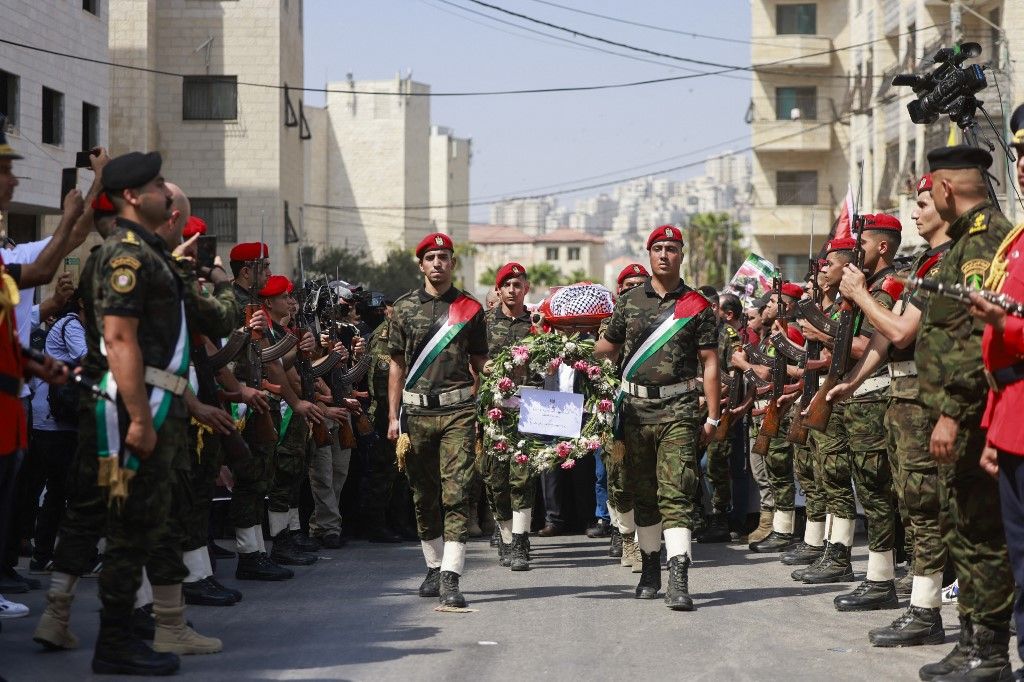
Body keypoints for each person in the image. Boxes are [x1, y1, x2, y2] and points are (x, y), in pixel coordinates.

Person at [827, 174, 951, 646]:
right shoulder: (925, 263)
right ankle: (917, 603)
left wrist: (859, 296)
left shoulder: (943, 263)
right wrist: (852, 382)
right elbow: (885, 338)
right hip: (900, 399)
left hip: (926, 398)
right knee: (910, 502)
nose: (915, 212)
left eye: (922, 204)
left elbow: (900, 333)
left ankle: (929, 609)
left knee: (925, 507)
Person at [914, 145, 1015, 682]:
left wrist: (951, 412)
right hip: (964, 415)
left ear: (946, 190)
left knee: (982, 533)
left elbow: (976, 338)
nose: (929, 199)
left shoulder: (982, 247)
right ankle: (971, 640)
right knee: (963, 530)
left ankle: (992, 652)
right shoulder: (963, 244)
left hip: (975, 416)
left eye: (930, 191)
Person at [596, 225, 721, 611]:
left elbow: (711, 363)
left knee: (677, 491)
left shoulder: (698, 306)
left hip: (679, 410)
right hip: (633, 412)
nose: (664, 254)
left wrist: (713, 418)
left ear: (681, 254)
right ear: (649, 254)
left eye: (671, 248)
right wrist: (566, 344)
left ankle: (679, 575)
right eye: (658, 248)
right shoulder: (630, 301)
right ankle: (651, 568)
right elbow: (607, 348)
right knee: (644, 494)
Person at [387, 232, 487, 608]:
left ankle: (451, 575)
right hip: (415, 413)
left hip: (458, 411)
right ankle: (433, 564)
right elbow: (396, 364)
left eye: (444, 257)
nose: (437, 264)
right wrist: (392, 417)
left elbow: (480, 359)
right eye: (431, 258)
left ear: (452, 264)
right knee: (423, 494)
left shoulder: (469, 308)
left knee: (457, 491)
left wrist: (502, 369)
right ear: (421, 264)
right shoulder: (404, 307)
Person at [482, 262, 535, 571]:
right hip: (494, 411)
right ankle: (504, 536)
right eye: (508, 285)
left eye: (518, 284)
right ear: (498, 290)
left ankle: (520, 541)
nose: (513, 290)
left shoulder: (537, 324)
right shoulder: (485, 322)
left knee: (523, 478)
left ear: (525, 288)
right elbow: (473, 364)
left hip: (528, 411)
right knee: (497, 479)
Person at [601, 263, 649, 570]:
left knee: (649, 478)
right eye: (627, 284)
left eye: (638, 284)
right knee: (618, 477)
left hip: (648, 412)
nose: (632, 288)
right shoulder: (606, 325)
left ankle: (643, 541)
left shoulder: (655, 320)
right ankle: (625, 536)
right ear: (619, 290)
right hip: (614, 414)